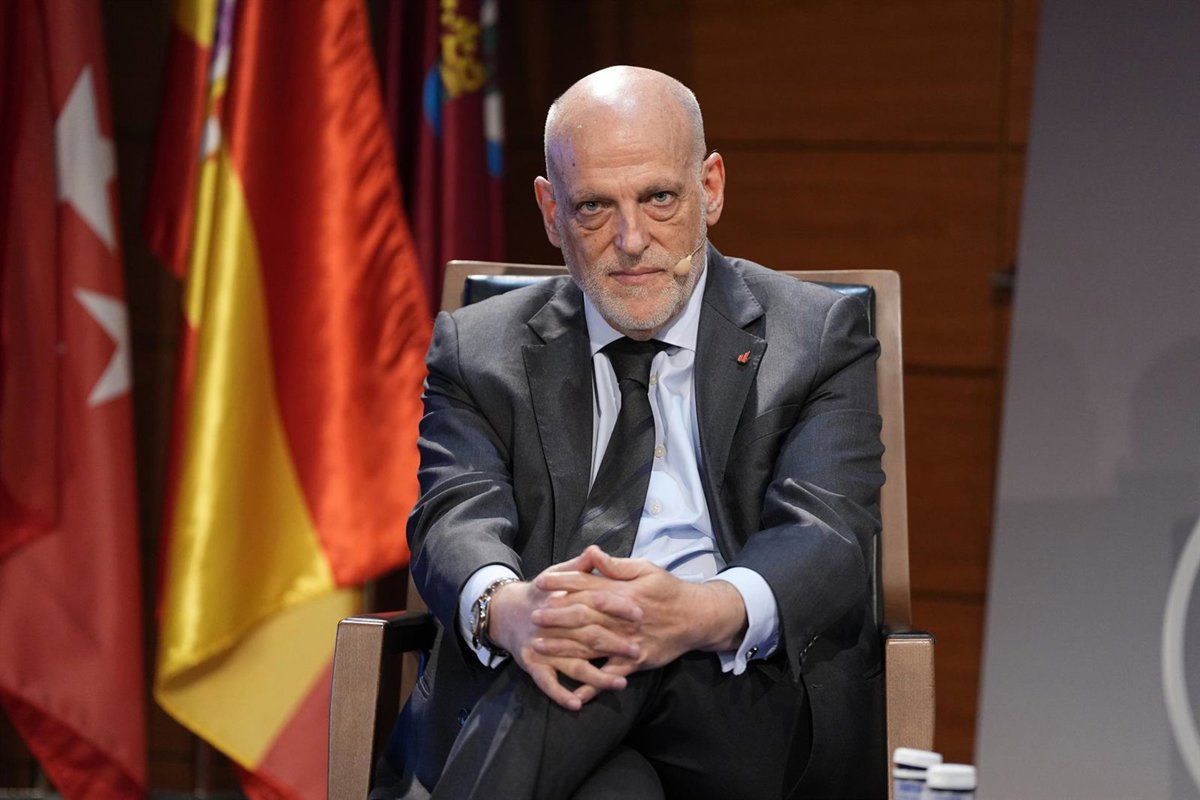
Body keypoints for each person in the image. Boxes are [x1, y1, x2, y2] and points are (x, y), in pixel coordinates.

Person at [374, 65, 885, 799]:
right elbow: (454, 516)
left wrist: (692, 614)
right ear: (551, 212)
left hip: (741, 695)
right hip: (544, 668)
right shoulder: (479, 349)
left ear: (710, 188)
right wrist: (511, 610)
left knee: (605, 645)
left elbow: (828, 533)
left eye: (659, 198)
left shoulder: (816, 336)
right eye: (593, 207)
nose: (632, 239)